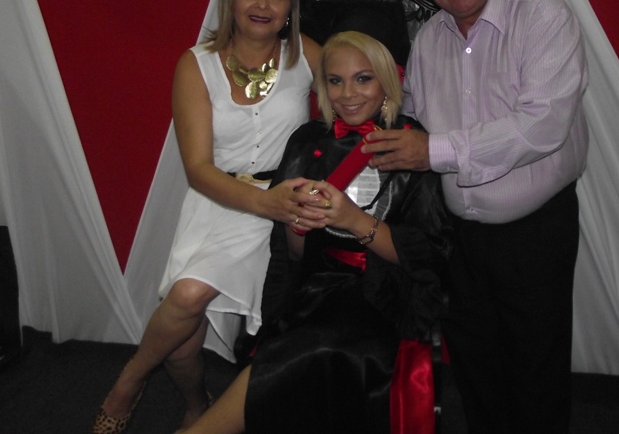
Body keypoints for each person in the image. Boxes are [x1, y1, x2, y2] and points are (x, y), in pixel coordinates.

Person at [363, 0, 590, 433]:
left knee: (536, 371)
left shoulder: (543, 16)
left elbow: (541, 126)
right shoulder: (428, 40)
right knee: (475, 368)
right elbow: (411, 118)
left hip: (534, 233)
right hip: (457, 236)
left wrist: (432, 151)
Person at [92, 0, 327, 434]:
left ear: (290, 6)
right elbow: (198, 169)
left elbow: (354, 101)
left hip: (278, 211)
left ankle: (129, 384)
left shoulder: (306, 54)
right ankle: (191, 401)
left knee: (187, 297)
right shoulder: (196, 65)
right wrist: (263, 202)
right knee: (182, 339)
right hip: (217, 200)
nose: (262, 4)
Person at [180, 30, 452, 434]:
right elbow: (292, 255)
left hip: (387, 294)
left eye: (363, 79)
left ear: (386, 82)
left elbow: (428, 255)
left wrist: (353, 221)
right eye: (335, 80)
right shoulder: (307, 141)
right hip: (319, 287)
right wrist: (299, 222)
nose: (348, 94)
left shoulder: (411, 144)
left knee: (319, 346)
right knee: (301, 343)